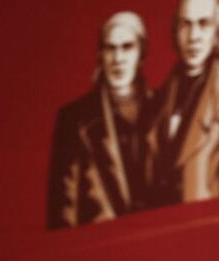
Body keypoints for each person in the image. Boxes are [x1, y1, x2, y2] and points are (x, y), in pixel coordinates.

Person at [46, 12, 153, 229]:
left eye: (127, 47)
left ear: (141, 54)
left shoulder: (162, 108)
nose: (118, 58)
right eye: (110, 48)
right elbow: (64, 211)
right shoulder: (75, 119)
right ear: (100, 55)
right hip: (101, 250)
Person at [149, 0, 219, 207]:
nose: (193, 36)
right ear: (175, 30)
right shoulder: (160, 98)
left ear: (218, 30)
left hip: (211, 224)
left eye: (203, 24)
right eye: (185, 25)